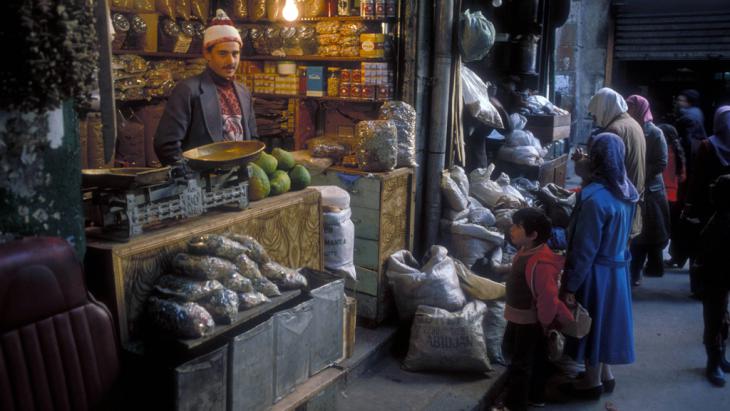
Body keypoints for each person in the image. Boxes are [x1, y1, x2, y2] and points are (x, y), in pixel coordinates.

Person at [560, 133, 638, 400]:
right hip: (617, 270)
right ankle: (606, 375)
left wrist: (571, 284)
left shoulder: (593, 199)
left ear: (598, 158)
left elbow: (584, 249)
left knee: (591, 323)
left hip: (595, 272)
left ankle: (590, 382)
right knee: (606, 323)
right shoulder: (628, 192)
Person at [154, 9, 258, 166]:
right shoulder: (188, 90)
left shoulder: (244, 93)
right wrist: (188, 177)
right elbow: (166, 145)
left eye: (235, 54)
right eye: (223, 54)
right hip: (202, 181)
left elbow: (253, 140)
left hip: (237, 180)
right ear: (207, 54)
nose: (231, 61)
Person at [502, 208, 574, 411]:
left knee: (521, 364)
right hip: (520, 318)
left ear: (533, 235)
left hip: (530, 321)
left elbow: (548, 298)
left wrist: (544, 322)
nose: (512, 229)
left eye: (518, 227)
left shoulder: (540, 262)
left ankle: (515, 405)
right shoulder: (525, 252)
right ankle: (535, 396)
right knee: (532, 359)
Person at [574, 87, 645, 238]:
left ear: (604, 109)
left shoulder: (615, 130)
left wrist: (581, 161)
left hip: (617, 201)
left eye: (595, 114)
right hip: (629, 199)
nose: (594, 119)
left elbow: (605, 171)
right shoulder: (632, 123)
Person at [684, 106, 730, 297]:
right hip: (727, 205)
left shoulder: (707, 145)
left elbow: (697, 178)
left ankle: (700, 285)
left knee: (702, 243)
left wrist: (689, 203)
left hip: (706, 203)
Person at [626, 95, 670, 285]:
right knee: (637, 235)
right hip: (634, 186)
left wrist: (641, 172)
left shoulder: (655, 133)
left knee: (650, 232)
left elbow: (662, 162)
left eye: (633, 107)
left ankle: (648, 268)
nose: (630, 110)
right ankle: (636, 272)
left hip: (651, 190)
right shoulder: (629, 129)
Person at [694, 175, 730, 387]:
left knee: (721, 317)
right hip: (714, 276)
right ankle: (713, 362)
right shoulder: (717, 223)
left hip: (721, 275)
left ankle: (720, 358)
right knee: (715, 319)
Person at [658, 124, 689, 268]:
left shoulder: (663, 150)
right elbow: (682, 177)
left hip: (661, 193)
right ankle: (675, 257)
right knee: (673, 229)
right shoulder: (679, 152)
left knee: (659, 228)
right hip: (674, 196)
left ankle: (656, 261)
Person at [674, 89, 707, 166]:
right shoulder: (698, 111)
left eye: (681, 100)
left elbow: (687, 141)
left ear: (689, 102)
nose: (678, 102)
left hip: (691, 151)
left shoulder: (687, 116)